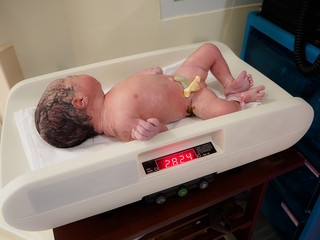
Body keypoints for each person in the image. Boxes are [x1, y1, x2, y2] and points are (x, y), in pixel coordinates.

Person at [35, 43, 265, 148]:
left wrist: (145, 74)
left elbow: (132, 85)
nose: (79, 75)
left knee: (210, 50)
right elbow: (157, 134)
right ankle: (237, 100)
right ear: (80, 101)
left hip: (181, 79)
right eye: (74, 79)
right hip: (191, 101)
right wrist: (153, 131)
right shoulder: (118, 124)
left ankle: (229, 85)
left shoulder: (108, 97)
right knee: (223, 112)